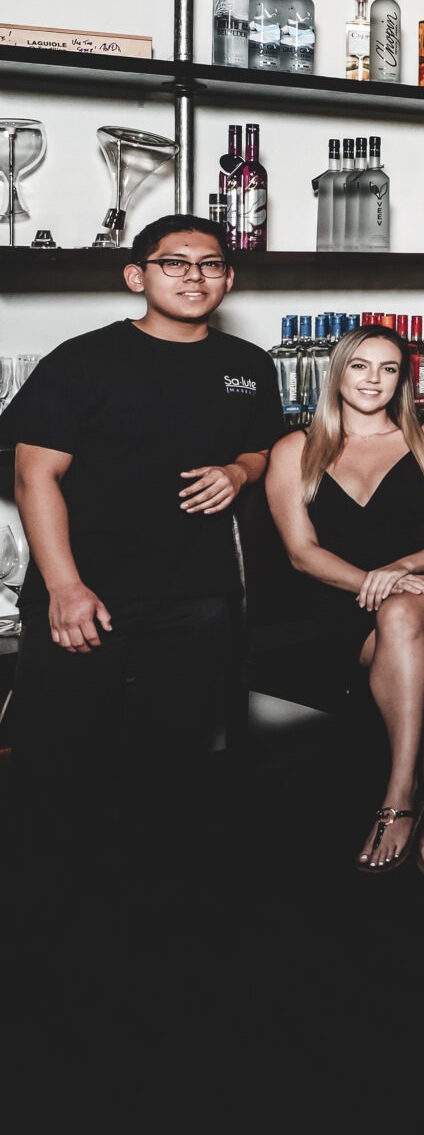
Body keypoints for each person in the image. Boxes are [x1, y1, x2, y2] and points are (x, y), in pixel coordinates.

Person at [2, 214, 282, 980]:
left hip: (196, 596)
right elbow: (35, 475)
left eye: (210, 265)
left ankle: (150, 936)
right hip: (85, 595)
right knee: (59, 766)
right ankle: (38, 940)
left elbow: (261, 445)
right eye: (173, 263)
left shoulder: (248, 366)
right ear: (137, 276)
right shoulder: (84, 361)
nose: (194, 277)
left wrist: (242, 473)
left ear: (230, 279)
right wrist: (62, 587)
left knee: (173, 768)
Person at [266, 324, 424, 878]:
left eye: (388, 369)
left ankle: (396, 797)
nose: (373, 380)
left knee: (403, 609)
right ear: (338, 373)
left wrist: (399, 571)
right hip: (344, 609)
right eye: (360, 366)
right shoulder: (295, 449)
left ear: (402, 380)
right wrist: (370, 582)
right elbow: (301, 553)